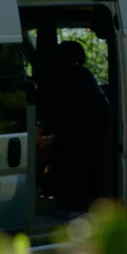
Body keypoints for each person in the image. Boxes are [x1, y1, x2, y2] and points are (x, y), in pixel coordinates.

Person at [44, 40, 109, 211]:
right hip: (82, 139)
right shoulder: (82, 77)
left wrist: (56, 136)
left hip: (78, 140)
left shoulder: (68, 79)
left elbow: (70, 116)